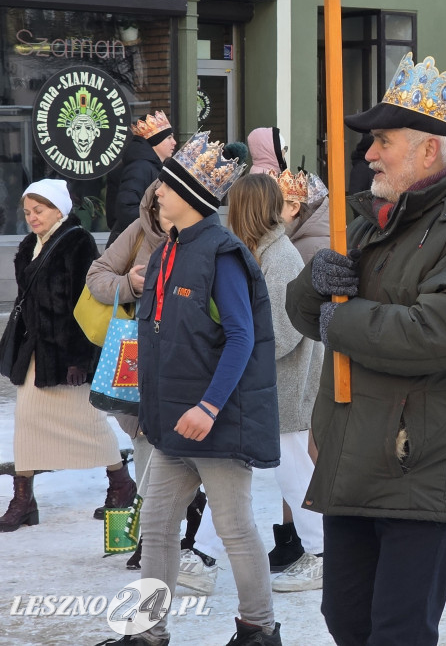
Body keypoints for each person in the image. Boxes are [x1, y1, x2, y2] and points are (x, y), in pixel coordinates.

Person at [285, 53, 446, 645]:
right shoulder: (370, 223)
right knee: (345, 620)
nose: (368, 153)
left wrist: (342, 319)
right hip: (354, 455)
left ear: (428, 149)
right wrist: (314, 287)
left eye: (381, 141)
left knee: (398, 632)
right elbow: (305, 315)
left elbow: (442, 334)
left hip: (419, 462)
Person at [130, 131, 282, 646]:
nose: (157, 195)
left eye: (166, 188)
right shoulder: (165, 251)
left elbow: (243, 337)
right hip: (172, 424)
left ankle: (259, 629)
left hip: (215, 423)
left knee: (235, 530)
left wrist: (210, 406)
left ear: (192, 198)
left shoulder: (223, 254)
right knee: (156, 529)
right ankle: (148, 631)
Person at [0, 179, 136, 532]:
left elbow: (85, 302)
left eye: (39, 210)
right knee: (26, 422)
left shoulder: (78, 242)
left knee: (88, 423)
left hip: (66, 355)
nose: (32, 217)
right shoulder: (31, 244)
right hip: (35, 350)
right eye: (27, 211)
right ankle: (23, 499)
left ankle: (121, 484)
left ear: (59, 208)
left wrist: (78, 358)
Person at [228, 172, 323, 593]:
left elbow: (282, 333)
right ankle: (205, 554)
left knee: (293, 468)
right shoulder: (263, 251)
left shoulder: (280, 256)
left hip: (285, 383)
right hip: (273, 382)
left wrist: (236, 356)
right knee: (251, 467)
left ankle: (324, 554)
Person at [86, 179, 168, 568]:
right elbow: (96, 276)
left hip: (187, 363)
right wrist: (129, 284)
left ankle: (176, 536)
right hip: (138, 359)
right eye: (160, 199)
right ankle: (152, 539)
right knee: (146, 448)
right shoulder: (139, 230)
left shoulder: (207, 236)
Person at [108, 111, 176, 245]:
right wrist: (158, 222)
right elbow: (126, 209)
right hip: (133, 246)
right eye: (168, 138)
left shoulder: (149, 165)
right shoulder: (140, 167)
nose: (174, 142)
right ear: (155, 140)